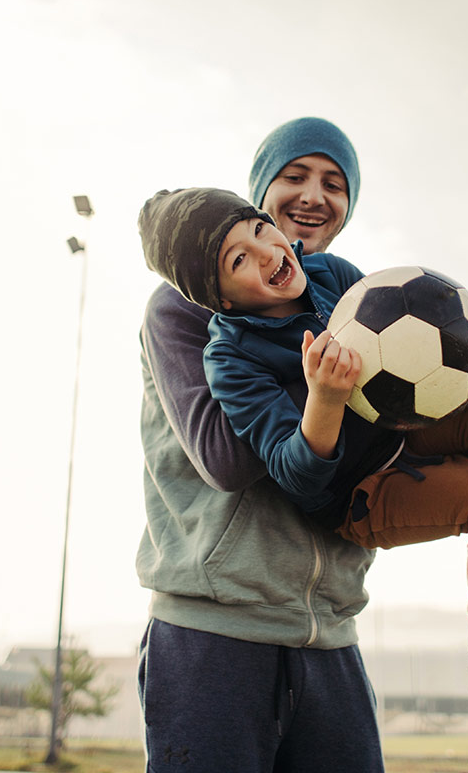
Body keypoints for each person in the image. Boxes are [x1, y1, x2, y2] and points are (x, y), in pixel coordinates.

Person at [138, 184, 468, 740]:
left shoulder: (331, 273)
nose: (266, 253)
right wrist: (323, 400)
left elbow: (404, 337)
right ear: (220, 299)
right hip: (353, 493)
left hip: (394, 435)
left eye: (259, 230)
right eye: (238, 260)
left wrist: (459, 353)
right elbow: (294, 474)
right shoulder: (229, 357)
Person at [134, 118, 385, 772]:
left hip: (330, 631)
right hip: (216, 632)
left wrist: (450, 363)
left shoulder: (348, 306)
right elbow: (226, 460)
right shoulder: (183, 309)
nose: (313, 195)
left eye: (333, 183)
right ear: (257, 197)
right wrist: (322, 385)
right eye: (294, 176)